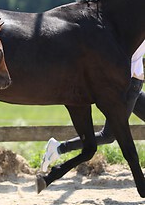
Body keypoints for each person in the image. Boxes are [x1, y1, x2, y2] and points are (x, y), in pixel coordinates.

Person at [41, 41, 145, 172]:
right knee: (108, 135)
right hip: (127, 88)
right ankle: (59, 148)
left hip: (134, 85)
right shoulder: (133, 28)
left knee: (107, 136)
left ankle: (59, 148)